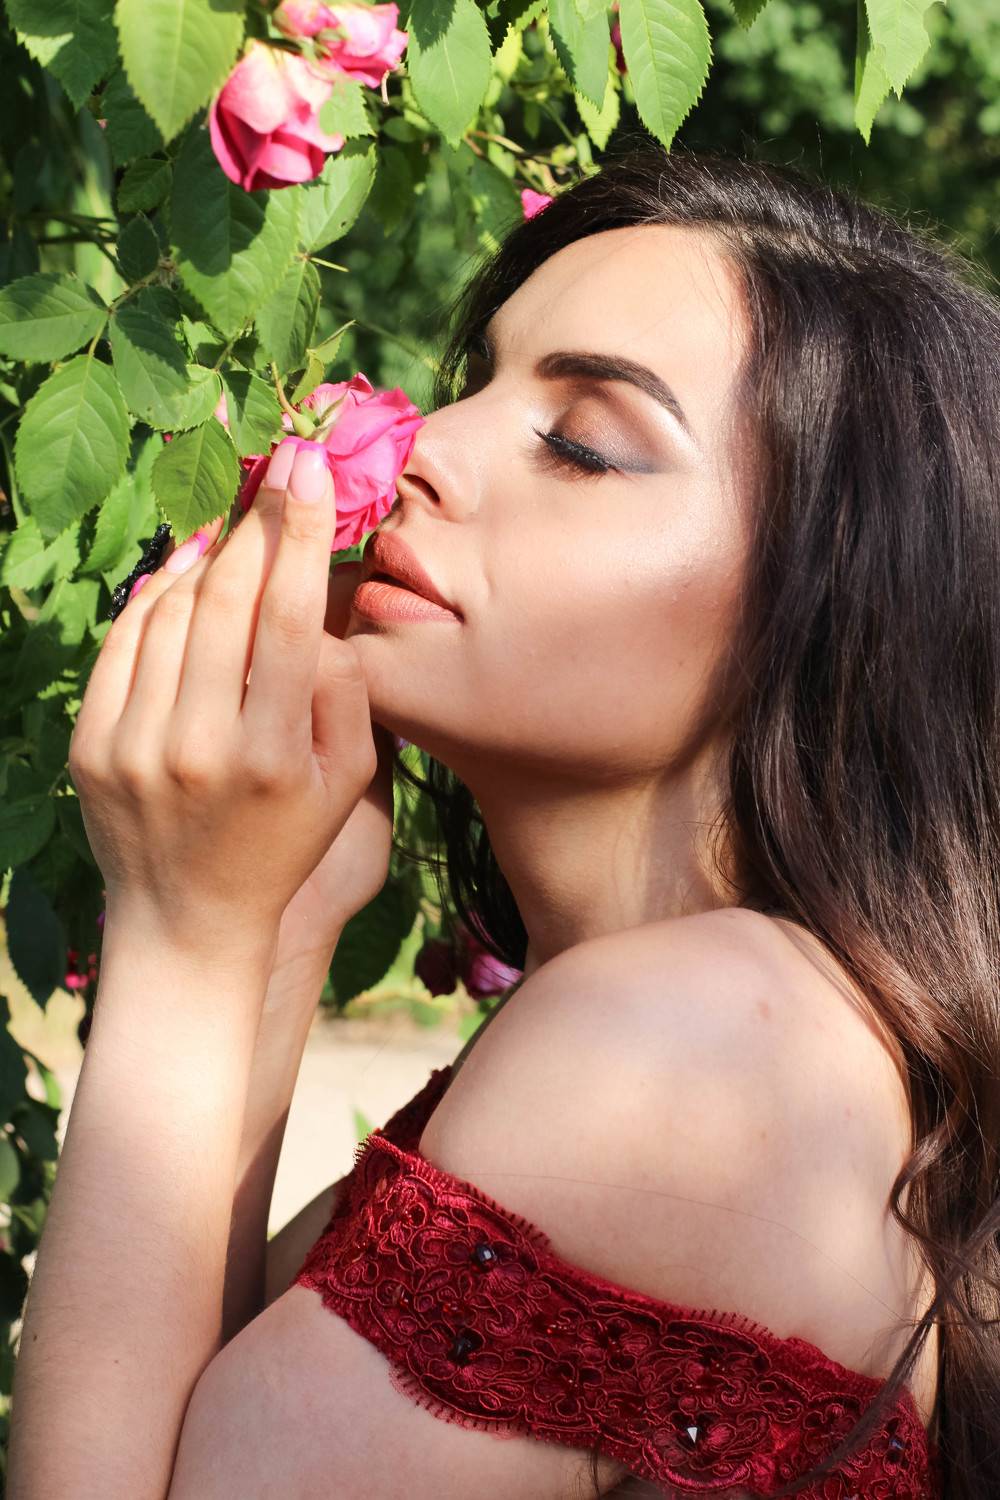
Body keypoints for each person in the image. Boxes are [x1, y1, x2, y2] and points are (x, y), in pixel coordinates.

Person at [12, 144, 999, 1498]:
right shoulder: (751, 1020)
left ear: (832, 613)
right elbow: (192, 1425)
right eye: (476, 381)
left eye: (583, 444)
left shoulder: (691, 1047)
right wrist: (271, 927)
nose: (425, 446)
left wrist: (183, 945)